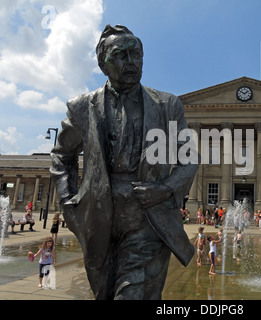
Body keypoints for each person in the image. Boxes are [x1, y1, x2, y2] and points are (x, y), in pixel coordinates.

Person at [50, 24, 199, 300]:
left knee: (132, 294)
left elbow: (189, 158)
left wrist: (165, 189)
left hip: (148, 221)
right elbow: (62, 156)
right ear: (102, 63)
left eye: (137, 54)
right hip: (97, 220)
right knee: (104, 294)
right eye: (121, 55)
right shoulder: (82, 107)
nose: (132, 62)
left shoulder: (167, 105)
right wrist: (68, 203)